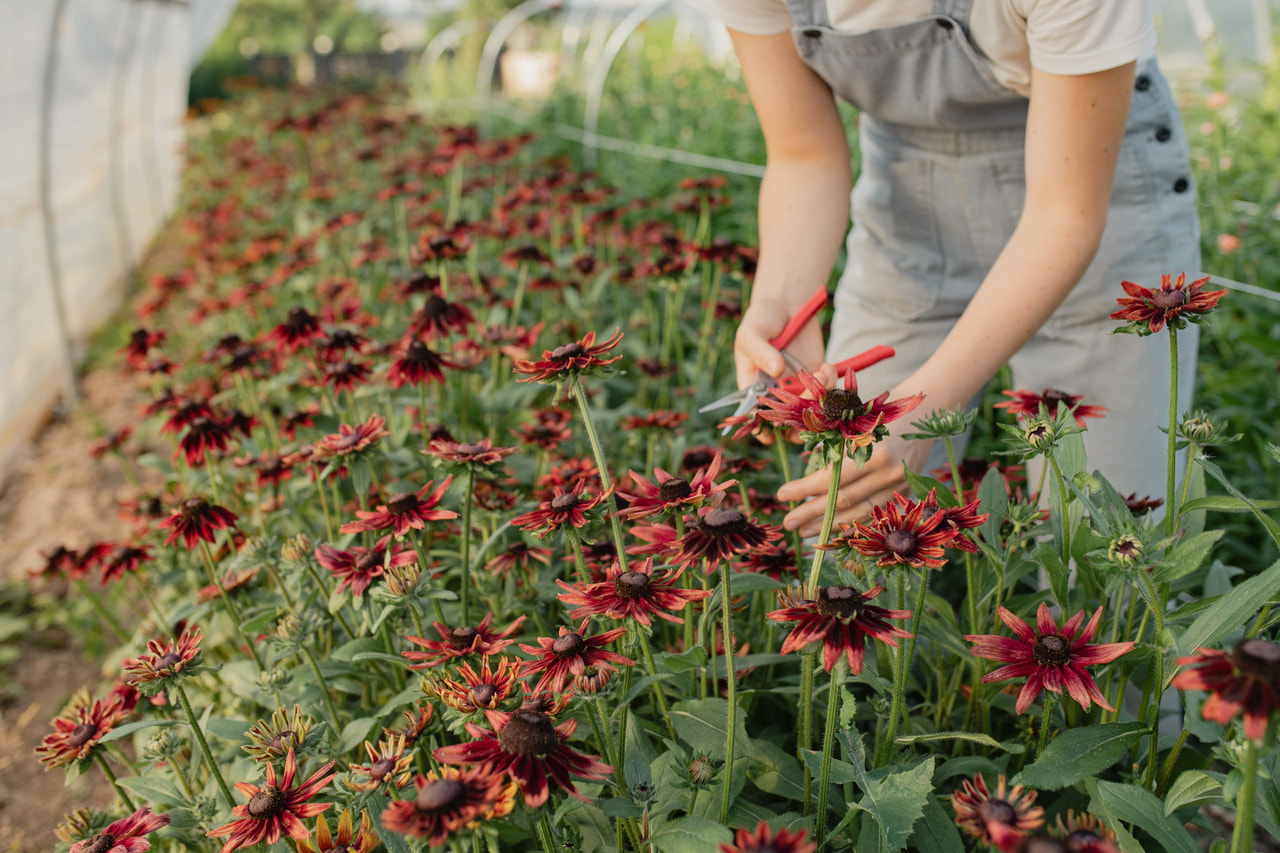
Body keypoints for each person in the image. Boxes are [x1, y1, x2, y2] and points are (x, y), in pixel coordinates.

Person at [692, 0, 1200, 537]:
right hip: (910, 209)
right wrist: (781, 301)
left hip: (1094, 198)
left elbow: (1063, 217)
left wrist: (922, 416)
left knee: (1106, 539)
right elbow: (803, 154)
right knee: (851, 529)